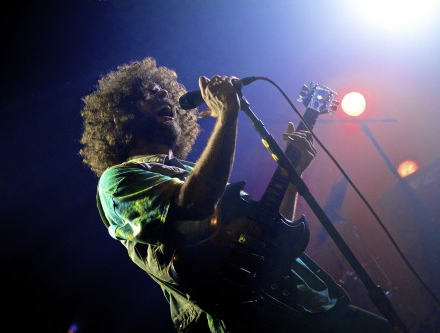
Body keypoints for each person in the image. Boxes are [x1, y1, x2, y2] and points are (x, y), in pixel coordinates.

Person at [79, 57, 396, 333]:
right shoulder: (117, 180)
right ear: (121, 118)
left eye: (160, 89)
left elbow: (271, 230)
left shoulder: (195, 169)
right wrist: (229, 115)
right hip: (251, 318)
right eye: (146, 94)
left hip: (309, 300)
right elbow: (192, 204)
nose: (161, 92)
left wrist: (291, 172)